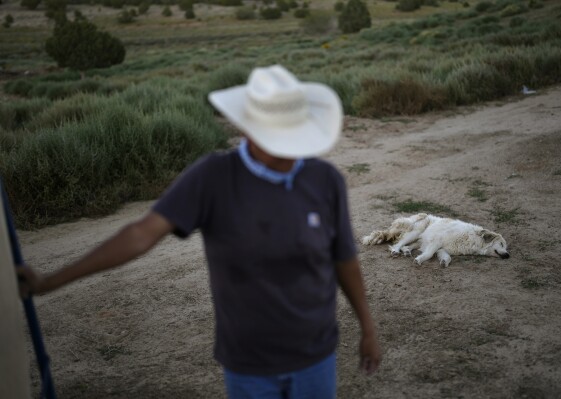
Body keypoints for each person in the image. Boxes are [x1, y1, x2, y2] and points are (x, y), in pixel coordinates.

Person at [18, 64, 382, 398]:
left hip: (316, 356)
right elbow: (141, 234)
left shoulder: (325, 180)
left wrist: (367, 327)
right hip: (249, 364)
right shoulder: (213, 179)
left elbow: (344, 259)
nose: (291, 150)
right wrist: (51, 281)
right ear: (246, 129)